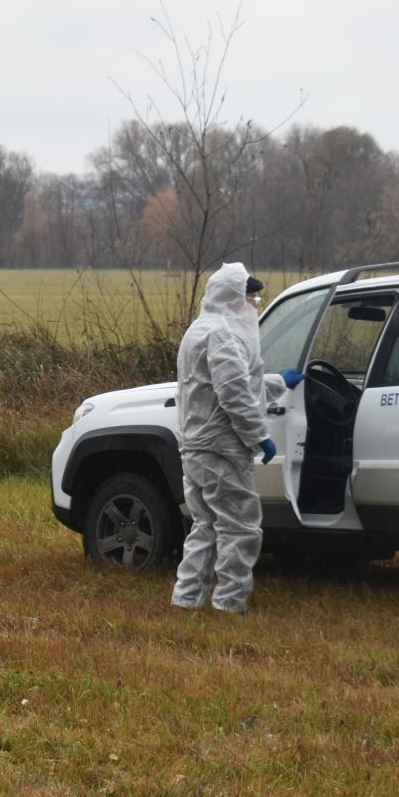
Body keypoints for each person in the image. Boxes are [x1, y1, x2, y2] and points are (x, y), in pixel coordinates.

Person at [171, 262, 283, 615]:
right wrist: (259, 436)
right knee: (239, 527)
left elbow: (231, 382)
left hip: (196, 446)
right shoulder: (223, 334)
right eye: (251, 297)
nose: (253, 304)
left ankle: (186, 599)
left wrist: (279, 384)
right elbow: (233, 392)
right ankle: (230, 604)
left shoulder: (199, 330)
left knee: (205, 526)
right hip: (222, 448)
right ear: (234, 298)